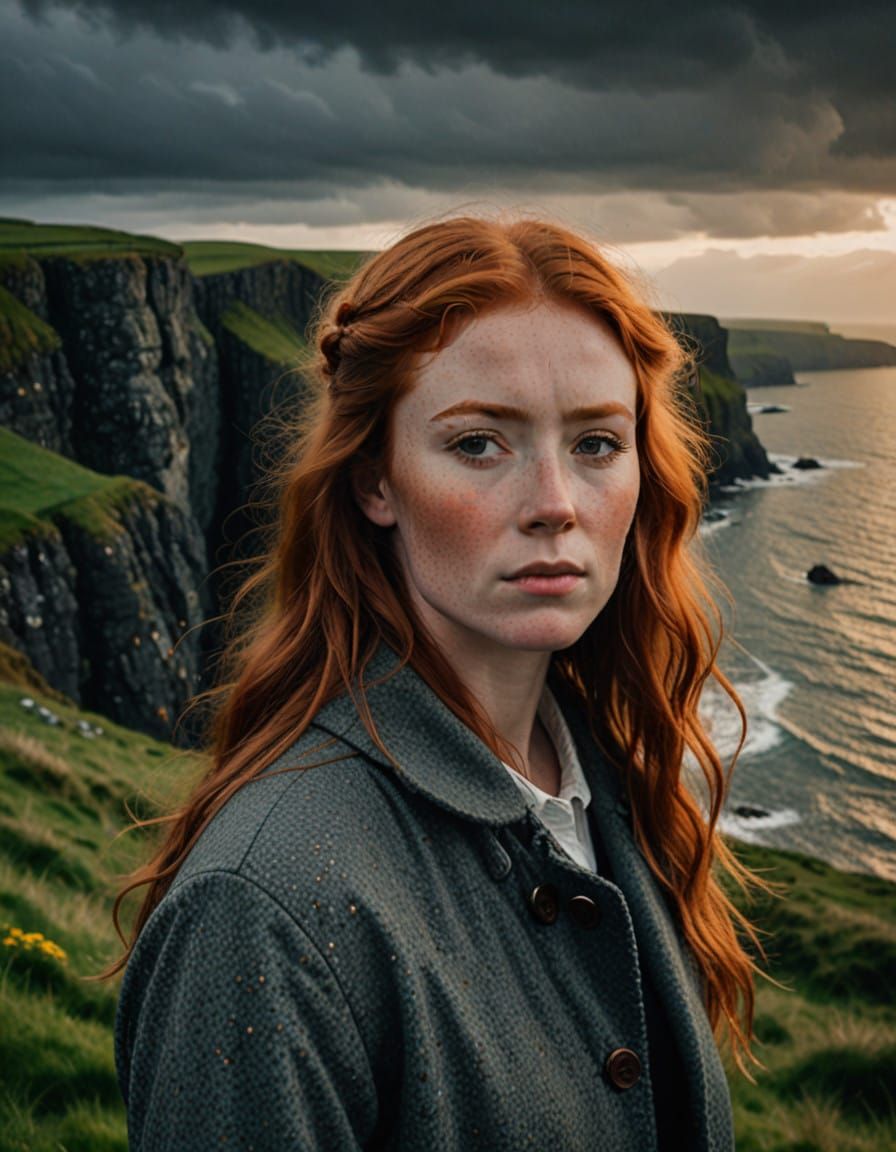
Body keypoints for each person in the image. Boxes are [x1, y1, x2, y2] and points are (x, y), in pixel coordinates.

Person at [102, 212, 773, 1151]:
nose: (554, 505)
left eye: (595, 444)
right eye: (477, 445)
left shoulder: (607, 782)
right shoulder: (264, 911)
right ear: (376, 479)